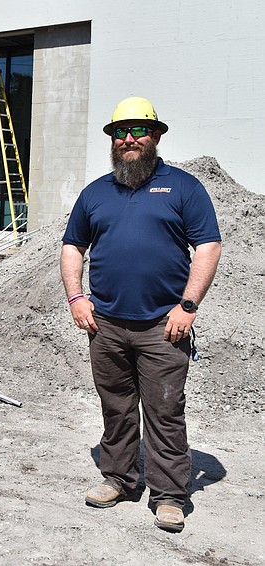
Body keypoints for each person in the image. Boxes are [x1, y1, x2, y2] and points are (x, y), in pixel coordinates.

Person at [60, 97, 222, 533]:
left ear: (156, 135)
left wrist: (188, 306)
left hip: (162, 327)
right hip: (105, 325)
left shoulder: (184, 187)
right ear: (112, 139)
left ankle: (169, 494)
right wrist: (77, 298)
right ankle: (120, 478)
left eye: (138, 131)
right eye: (120, 132)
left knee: (165, 411)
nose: (128, 139)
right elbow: (73, 245)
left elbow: (207, 246)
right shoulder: (96, 192)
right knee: (116, 407)